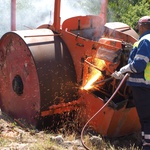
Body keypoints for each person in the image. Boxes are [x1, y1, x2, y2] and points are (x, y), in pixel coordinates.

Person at [112, 16, 150, 150]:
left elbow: (139, 65)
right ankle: (146, 142)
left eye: (139, 25)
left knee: (146, 117)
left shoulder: (145, 40)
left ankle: (147, 145)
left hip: (143, 85)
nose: (138, 27)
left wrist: (122, 70)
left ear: (143, 26)